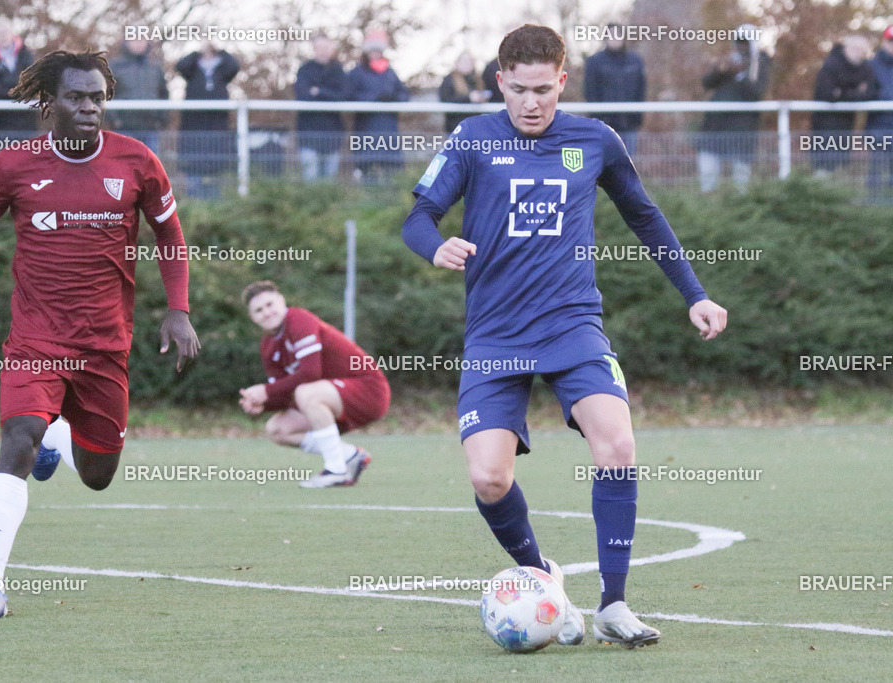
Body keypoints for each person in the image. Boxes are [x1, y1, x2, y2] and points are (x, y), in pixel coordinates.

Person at [401, 24, 728, 648]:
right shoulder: (472, 139)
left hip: (573, 323)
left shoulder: (594, 139)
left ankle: (613, 604)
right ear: (499, 82)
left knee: (617, 445)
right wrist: (435, 245)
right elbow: (418, 216)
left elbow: (644, 214)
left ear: (562, 81)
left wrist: (696, 295)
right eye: (519, 90)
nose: (531, 103)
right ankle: (540, 574)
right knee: (489, 480)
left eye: (543, 91)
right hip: (495, 334)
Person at [0, 49, 200, 620]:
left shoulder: (137, 161)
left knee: (99, 476)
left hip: (107, 346)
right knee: (17, 438)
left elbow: (170, 234)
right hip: (35, 339)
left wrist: (178, 309)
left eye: (97, 98)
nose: (89, 108)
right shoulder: (13, 165)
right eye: (76, 97)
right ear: (48, 103)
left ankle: (55, 440)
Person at [239, 281, 390, 488]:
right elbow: (283, 395)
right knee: (277, 429)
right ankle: (350, 455)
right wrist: (262, 403)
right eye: (258, 310)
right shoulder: (268, 345)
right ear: (252, 317)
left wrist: (266, 390)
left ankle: (336, 470)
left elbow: (311, 373)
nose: (266, 312)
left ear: (282, 301)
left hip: (369, 391)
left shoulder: (298, 319)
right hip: (330, 398)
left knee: (306, 392)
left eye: (270, 305)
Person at [696, 25, 770, 192]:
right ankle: (708, 205)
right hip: (715, 127)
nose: (741, 46)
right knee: (708, 172)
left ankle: (740, 209)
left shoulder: (760, 64)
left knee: (740, 177)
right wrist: (722, 70)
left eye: (745, 42)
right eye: (739, 42)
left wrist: (740, 75)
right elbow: (707, 83)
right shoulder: (729, 61)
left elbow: (756, 92)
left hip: (742, 129)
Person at [345, 29, 409, 181]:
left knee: (392, 173)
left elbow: (404, 94)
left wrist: (393, 99)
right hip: (365, 130)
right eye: (372, 50)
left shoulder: (390, 73)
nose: (376, 53)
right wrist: (375, 99)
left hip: (389, 131)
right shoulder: (357, 72)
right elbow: (349, 96)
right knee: (367, 172)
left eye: (378, 50)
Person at [176, 43, 240, 197]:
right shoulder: (192, 67)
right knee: (193, 171)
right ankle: (193, 205)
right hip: (193, 128)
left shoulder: (223, 68)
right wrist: (197, 51)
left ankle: (214, 207)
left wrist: (220, 49)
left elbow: (234, 65)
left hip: (217, 128)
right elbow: (181, 66)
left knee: (215, 173)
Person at [812, 35, 878, 174]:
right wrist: (856, 92)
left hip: (847, 126)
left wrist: (842, 93)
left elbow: (872, 92)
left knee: (840, 168)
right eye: (856, 48)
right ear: (846, 48)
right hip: (825, 126)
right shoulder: (831, 64)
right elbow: (826, 93)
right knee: (823, 168)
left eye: (862, 49)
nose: (859, 52)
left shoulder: (865, 68)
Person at [583, 24, 646, 154]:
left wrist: (637, 117)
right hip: (604, 124)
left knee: (627, 164)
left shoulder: (635, 61)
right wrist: (597, 118)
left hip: (629, 123)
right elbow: (590, 91)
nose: (615, 39)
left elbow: (641, 89)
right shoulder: (595, 62)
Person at [294, 35, 346, 181]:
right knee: (310, 178)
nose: (323, 51)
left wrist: (319, 91)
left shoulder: (338, 70)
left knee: (329, 180)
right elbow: (302, 94)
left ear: (331, 49)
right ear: (314, 49)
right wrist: (329, 93)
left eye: (326, 48)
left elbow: (343, 95)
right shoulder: (305, 70)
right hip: (308, 134)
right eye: (320, 48)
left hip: (332, 135)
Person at [108, 39, 170, 153]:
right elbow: (106, 93)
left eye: (141, 39)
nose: (138, 43)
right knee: (124, 166)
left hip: (150, 127)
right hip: (124, 127)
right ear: (126, 42)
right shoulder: (115, 67)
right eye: (134, 39)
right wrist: (114, 120)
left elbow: (164, 94)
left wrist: (161, 119)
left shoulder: (155, 67)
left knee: (150, 167)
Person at [0, 18, 35, 139]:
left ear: (12, 32)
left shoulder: (26, 54)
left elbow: (31, 81)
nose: (2, 36)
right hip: (0, 121)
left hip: (25, 119)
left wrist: (6, 84)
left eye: (5, 32)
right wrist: (17, 87)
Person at [867, 27, 893, 200]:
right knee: (876, 168)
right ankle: (872, 204)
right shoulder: (871, 65)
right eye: (891, 41)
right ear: (884, 42)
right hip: (878, 127)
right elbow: (868, 93)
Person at [438, 52, 489, 133]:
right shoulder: (449, 80)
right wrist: (469, 98)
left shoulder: (477, 80)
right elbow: (445, 100)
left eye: (470, 61)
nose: (467, 64)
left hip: (475, 128)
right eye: (464, 61)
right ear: (457, 63)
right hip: (456, 127)